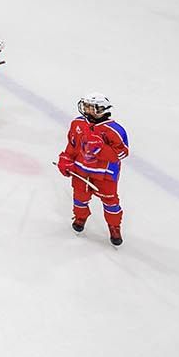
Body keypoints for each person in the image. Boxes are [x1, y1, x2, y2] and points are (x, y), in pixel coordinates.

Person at [58, 94, 129, 246]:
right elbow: (72, 145)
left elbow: (122, 153)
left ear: (101, 109)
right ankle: (80, 217)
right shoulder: (77, 123)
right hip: (80, 171)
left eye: (91, 106)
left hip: (105, 175)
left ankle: (114, 227)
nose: (86, 109)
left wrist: (101, 149)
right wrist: (66, 159)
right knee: (79, 197)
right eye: (86, 105)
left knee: (111, 202)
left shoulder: (115, 130)